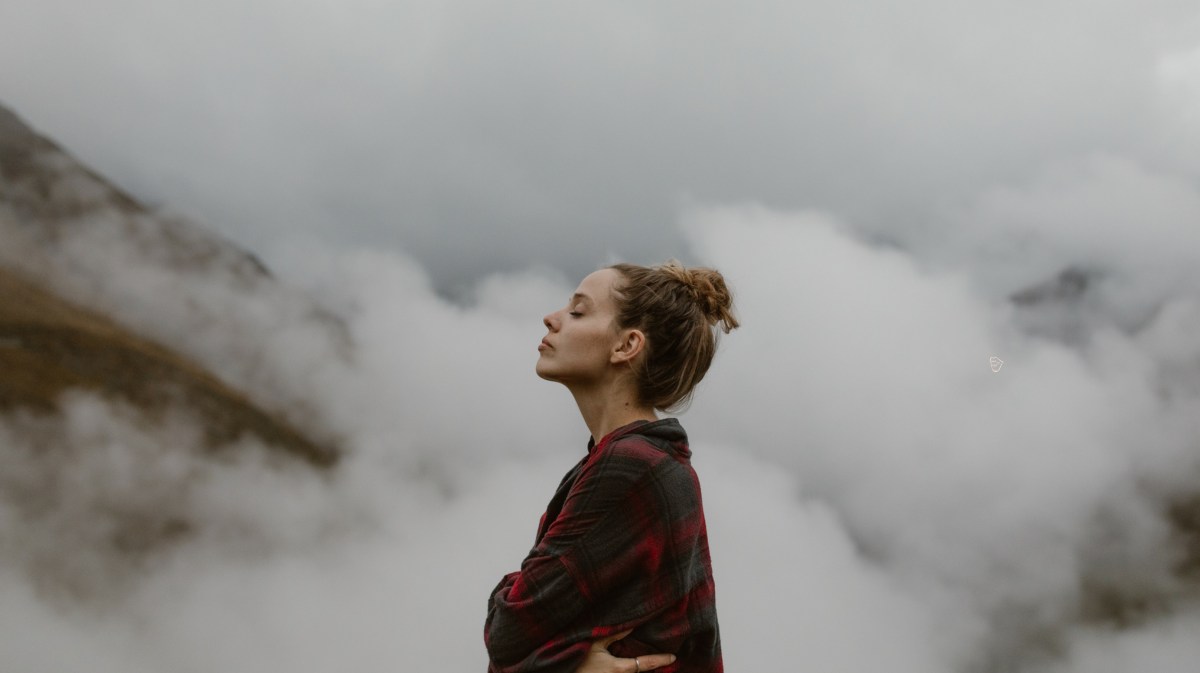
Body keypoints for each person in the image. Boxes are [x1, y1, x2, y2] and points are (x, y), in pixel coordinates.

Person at [484, 260, 738, 673]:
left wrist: (512, 602)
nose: (551, 319)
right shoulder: (646, 460)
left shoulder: (631, 468)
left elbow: (509, 631)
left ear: (626, 346)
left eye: (578, 312)